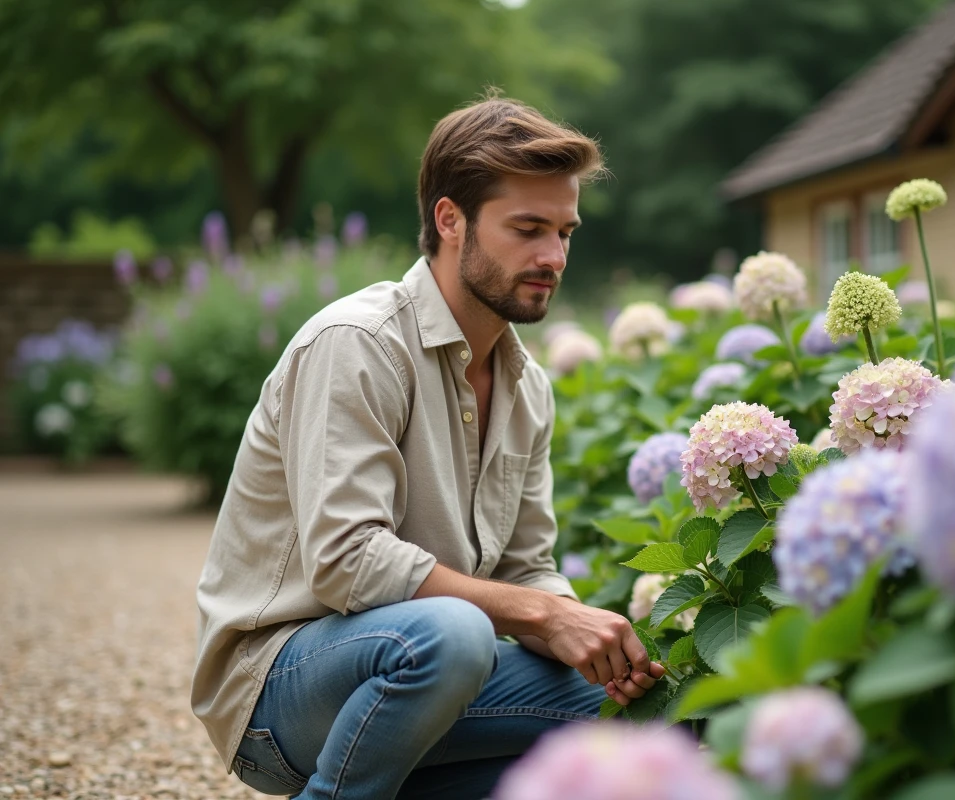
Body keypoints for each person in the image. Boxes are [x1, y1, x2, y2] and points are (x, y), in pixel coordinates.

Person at [190, 95, 666, 800]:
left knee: (652, 711)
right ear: (451, 220)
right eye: (528, 229)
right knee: (455, 634)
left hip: (421, 683)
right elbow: (346, 562)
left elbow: (526, 565)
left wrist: (583, 631)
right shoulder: (357, 344)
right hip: (278, 692)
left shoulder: (526, 385)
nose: (553, 257)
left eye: (566, 232)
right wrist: (541, 615)